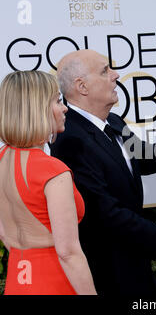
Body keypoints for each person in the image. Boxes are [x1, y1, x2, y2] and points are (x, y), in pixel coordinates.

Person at [50, 49, 156, 296]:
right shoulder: (70, 139)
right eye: (105, 71)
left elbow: (142, 156)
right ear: (82, 86)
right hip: (108, 274)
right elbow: (104, 212)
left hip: (134, 264)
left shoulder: (113, 121)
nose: (116, 75)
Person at [0, 70, 96, 295]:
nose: (64, 108)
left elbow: (4, 234)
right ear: (37, 108)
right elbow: (68, 252)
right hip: (55, 284)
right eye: (57, 101)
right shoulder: (52, 170)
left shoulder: (2, 159)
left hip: (17, 281)